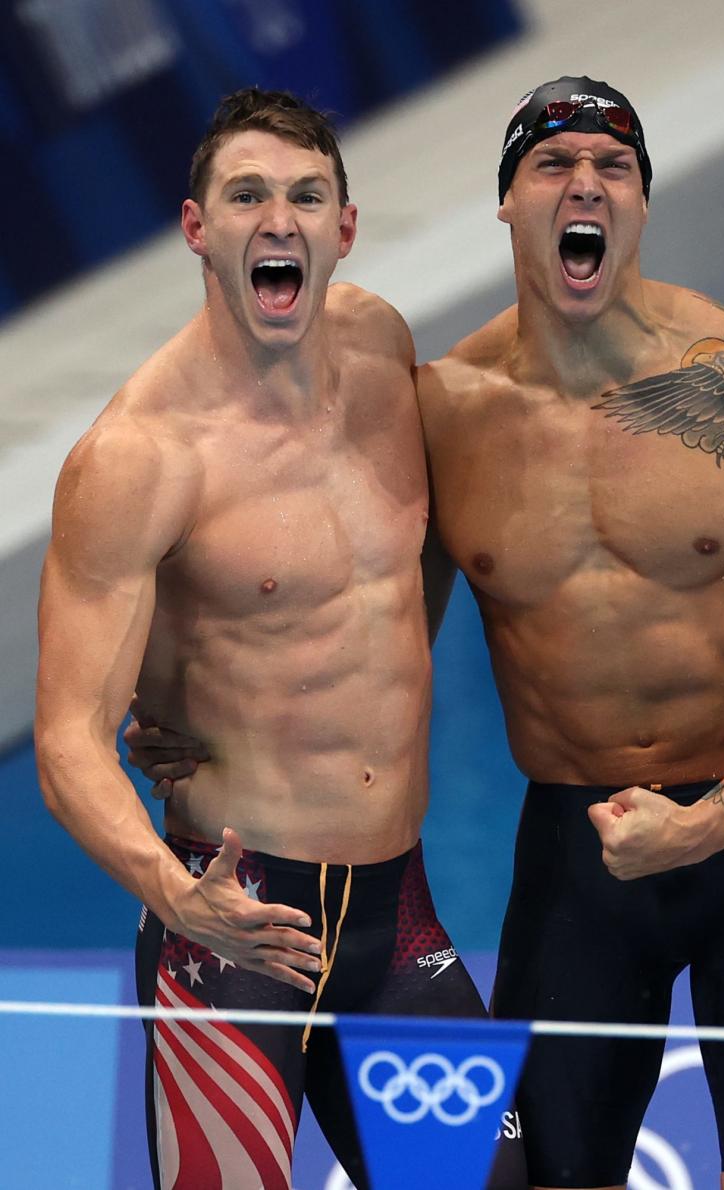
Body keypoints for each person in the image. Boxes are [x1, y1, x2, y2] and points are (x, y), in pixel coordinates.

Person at [131, 77, 724, 1190]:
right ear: (507, 203)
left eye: (614, 168)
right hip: (574, 858)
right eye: (553, 165)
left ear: (641, 203)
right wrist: (201, 720)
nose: (584, 186)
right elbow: (369, 627)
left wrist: (712, 820)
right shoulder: (444, 412)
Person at [34, 88, 523, 1190]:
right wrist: (176, 893)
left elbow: (396, 578)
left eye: (306, 196)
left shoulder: (382, 346)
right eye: (247, 195)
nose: (279, 221)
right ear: (197, 227)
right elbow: (65, 742)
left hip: (397, 912)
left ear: (345, 227)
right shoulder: (140, 457)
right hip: (236, 926)